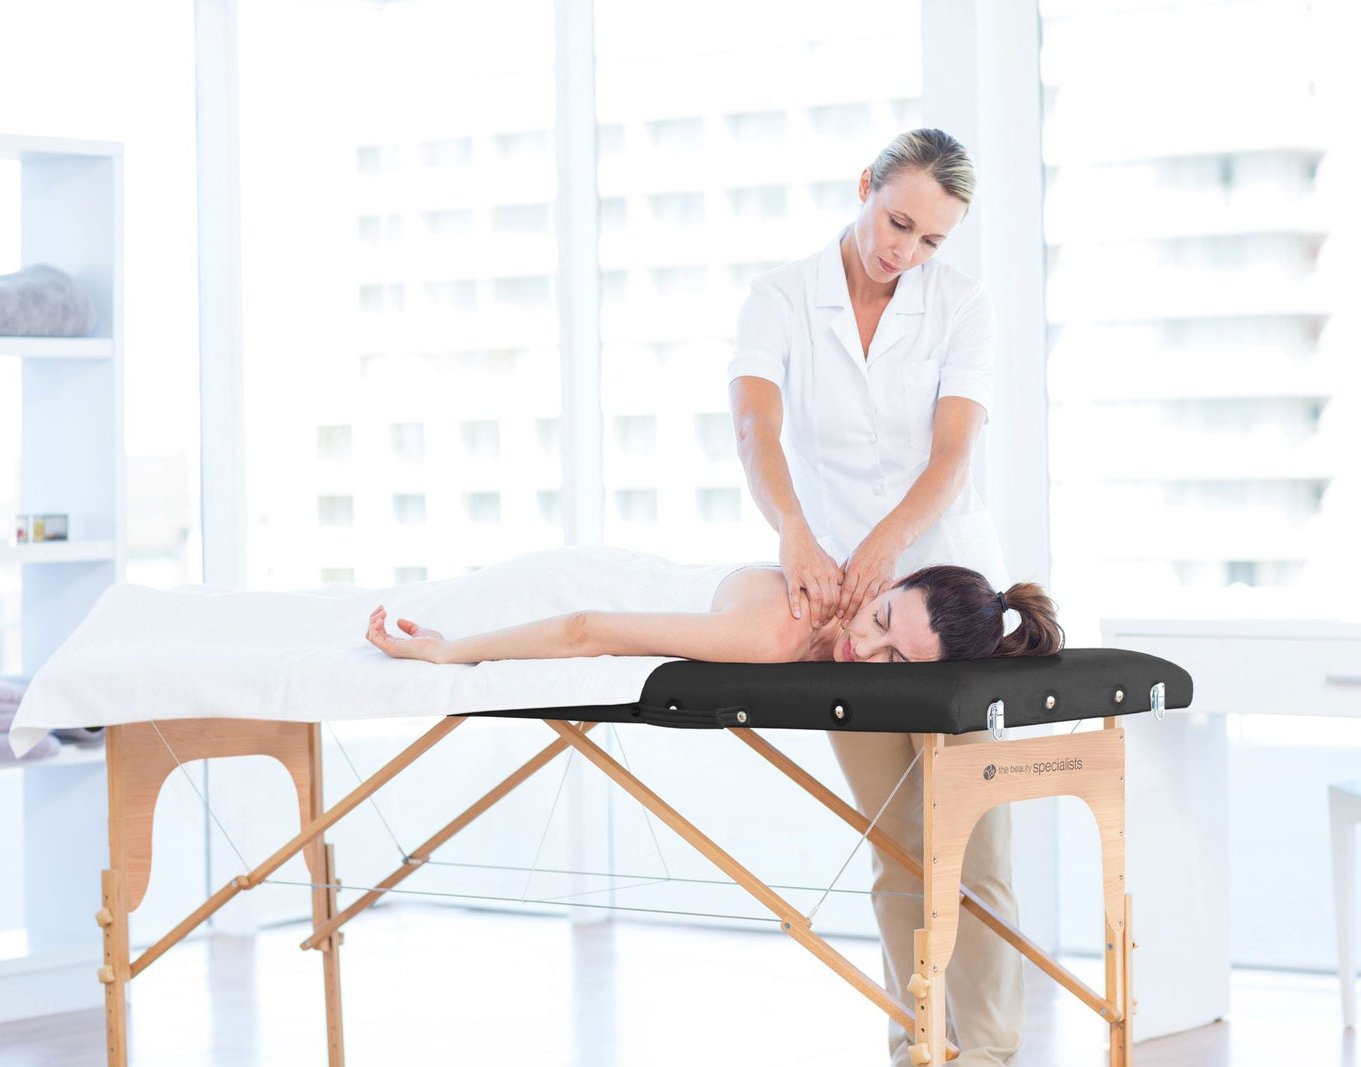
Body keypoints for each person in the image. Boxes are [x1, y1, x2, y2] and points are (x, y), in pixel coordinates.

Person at [728, 128, 1031, 1066]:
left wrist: (884, 540)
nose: (906, 251)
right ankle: (916, 1043)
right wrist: (792, 530)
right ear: (865, 187)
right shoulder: (779, 298)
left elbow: (952, 456)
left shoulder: (961, 306)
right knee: (896, 843)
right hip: (844, 610)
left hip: (943, 601)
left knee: (972, 846)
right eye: (897, 222)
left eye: (931, 240)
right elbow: (755, 427)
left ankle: (987, 1049)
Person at [367, 557, 1061, 666]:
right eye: (877, 621)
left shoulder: (834, 614)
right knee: (426, 595)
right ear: (889, 581)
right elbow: (590, 628)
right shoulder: (780, 630)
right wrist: (449, 650)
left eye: (896, 660)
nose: (863, 648)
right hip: (566, 590)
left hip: (611, 583)